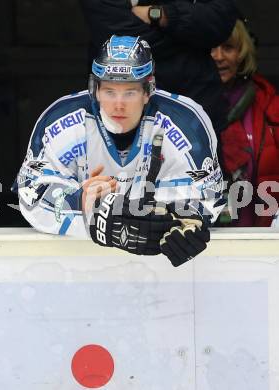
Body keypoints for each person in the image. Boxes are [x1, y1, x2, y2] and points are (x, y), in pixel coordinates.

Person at [16, 35, 224, 266]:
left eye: (130, 92)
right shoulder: (61, 120)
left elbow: (205, 199)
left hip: (160, 270)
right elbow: (31, 195)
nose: (118, 104)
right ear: (94, 89)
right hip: (76, 265)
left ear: (148, 91)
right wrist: (82, 202)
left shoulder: (186, 123)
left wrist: (183, 221)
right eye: (109, 91)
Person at [79, 0, 238, 133]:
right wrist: (190, 40)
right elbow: (117, 31)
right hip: (122, 115)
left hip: (195, 112)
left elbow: (220, 19)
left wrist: (160, 14)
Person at [211, 19, 279, 227]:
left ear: (242, 53)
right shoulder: (184, 105)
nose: (219, 57)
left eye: (228, 48)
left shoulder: (267, 102)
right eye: (211, 48)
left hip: (258, 235)